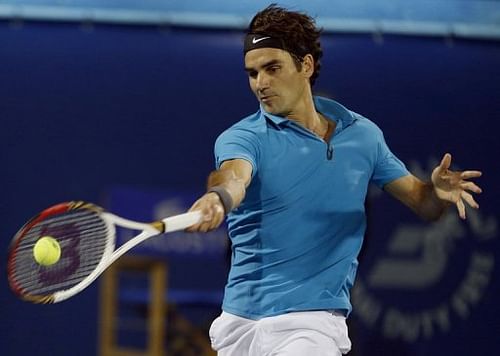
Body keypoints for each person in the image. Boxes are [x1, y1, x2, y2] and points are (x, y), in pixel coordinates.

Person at [187, 4, 482, 356]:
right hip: (240, 324)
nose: (260, 84)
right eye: (252, 73)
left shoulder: (364, 137)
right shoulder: (241, 138)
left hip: (312, 324)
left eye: (272, 68)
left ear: (306, 66)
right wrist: (218, 197)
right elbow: (234, 176)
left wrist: (436, 192)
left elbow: (424, 204)